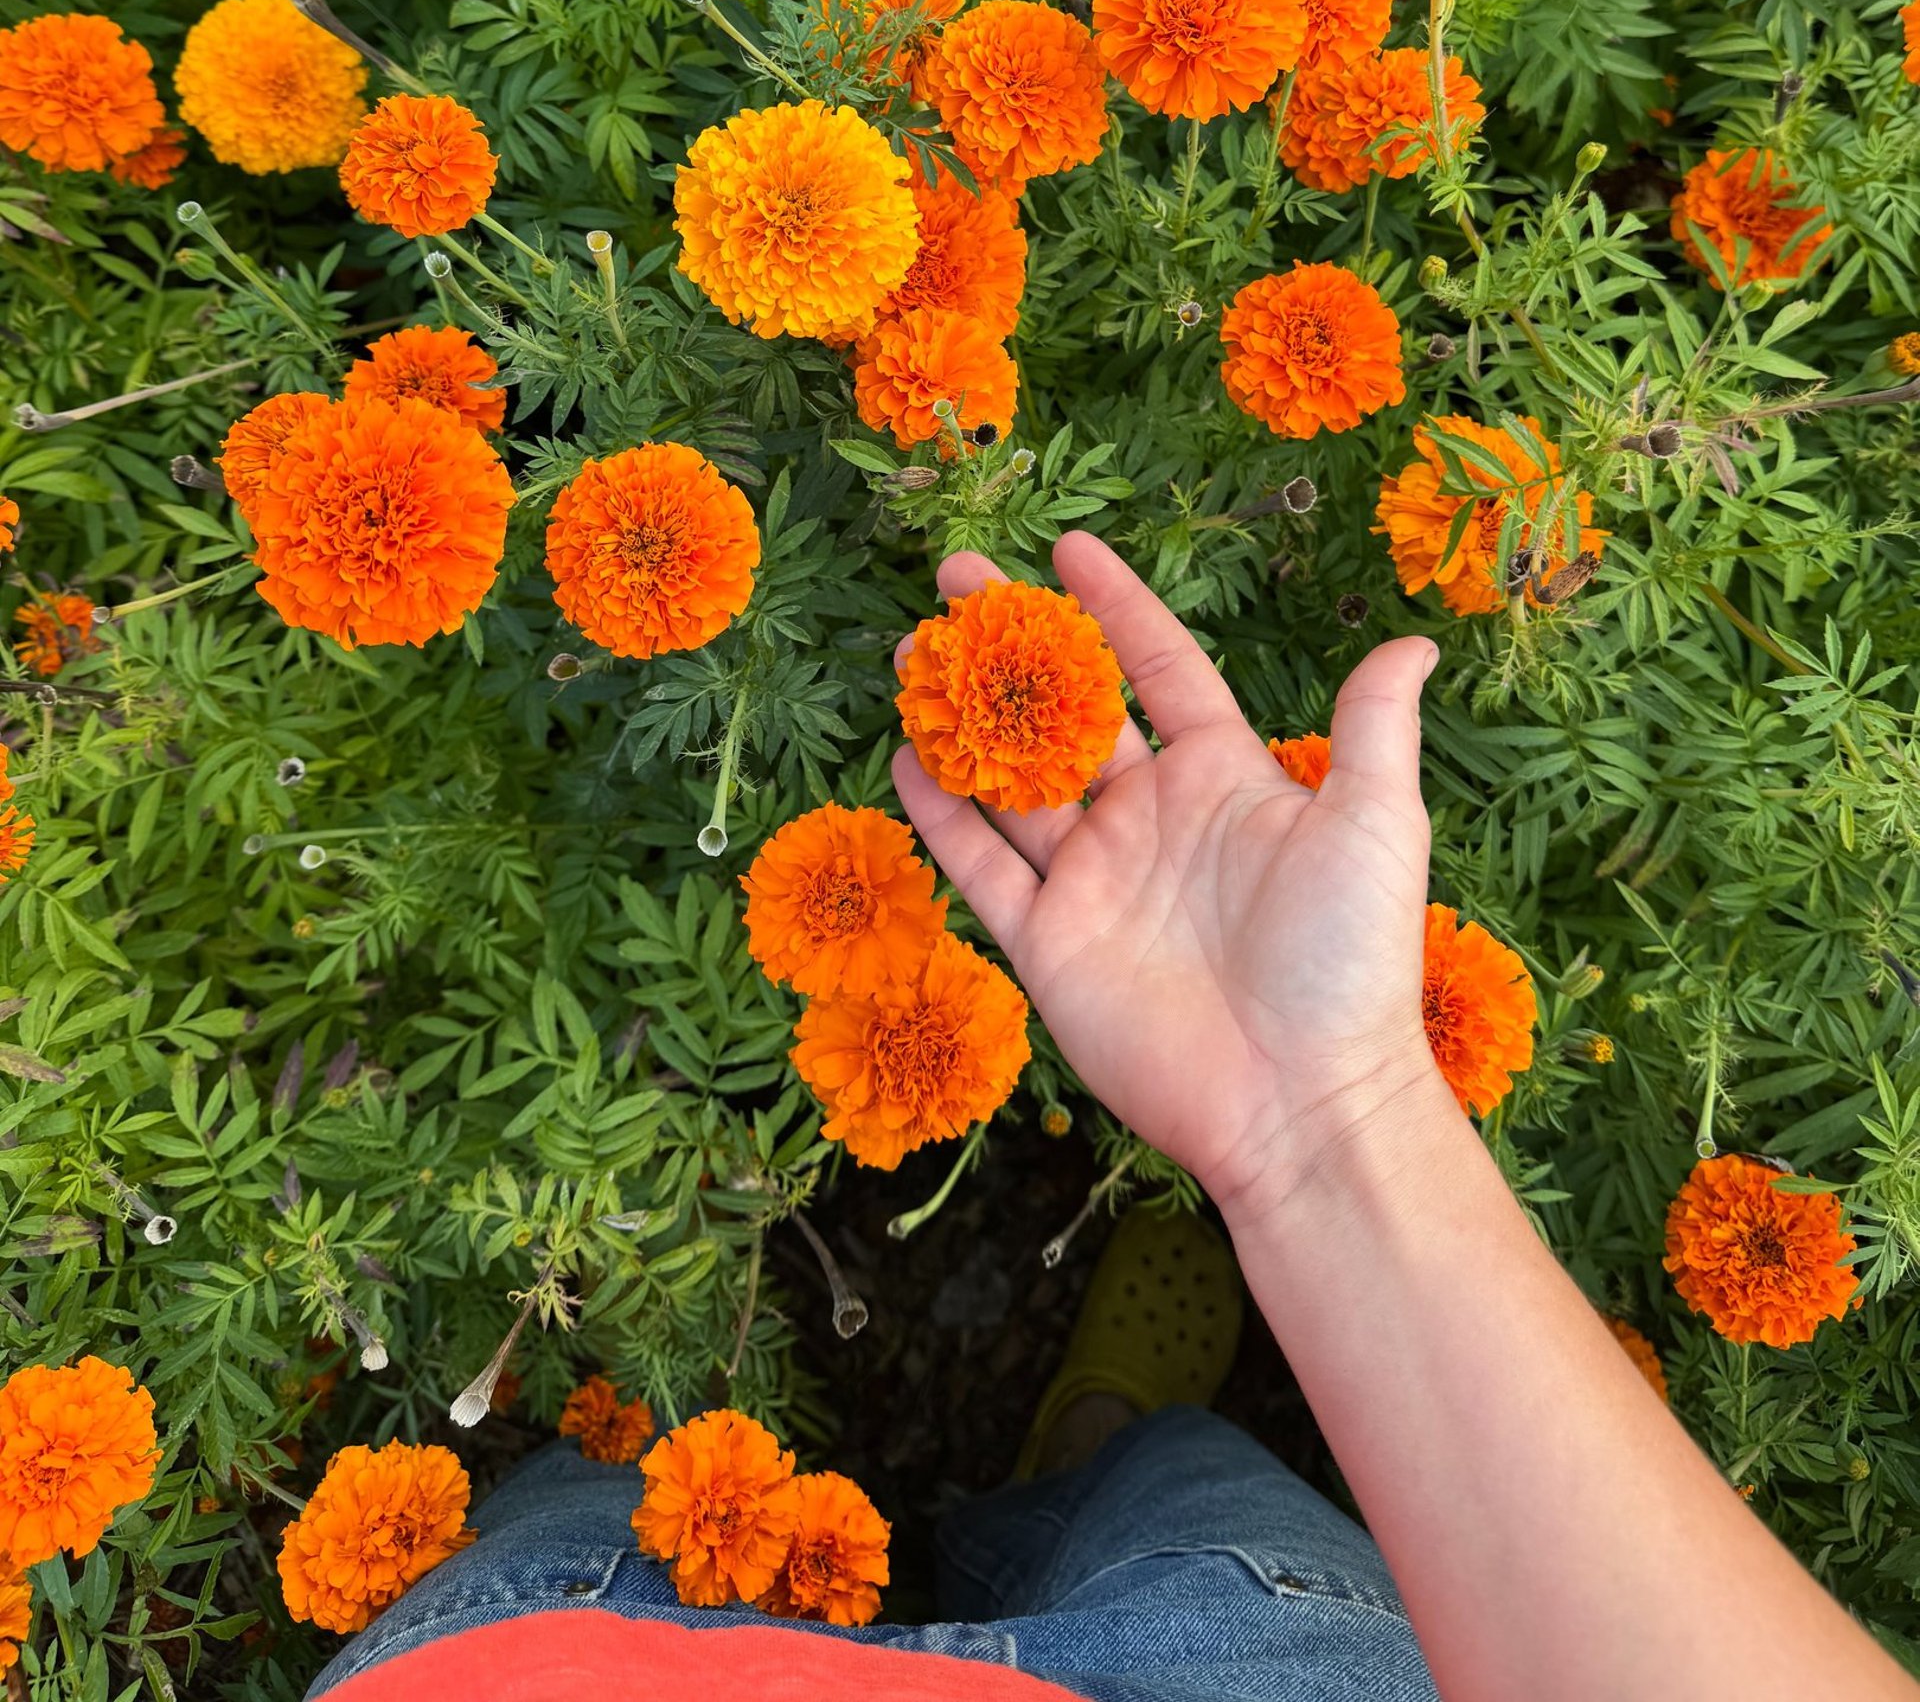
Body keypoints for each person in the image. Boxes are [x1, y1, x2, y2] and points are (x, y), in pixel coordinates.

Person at [313, 533, 1915, 1700]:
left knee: (589, 1513)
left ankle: (1026, 1475)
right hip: (1238, 1664)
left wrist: (1325, 1104)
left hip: (559, 1665)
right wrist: (1328, 1114)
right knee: (1199, 1501)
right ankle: (1095, 1459)